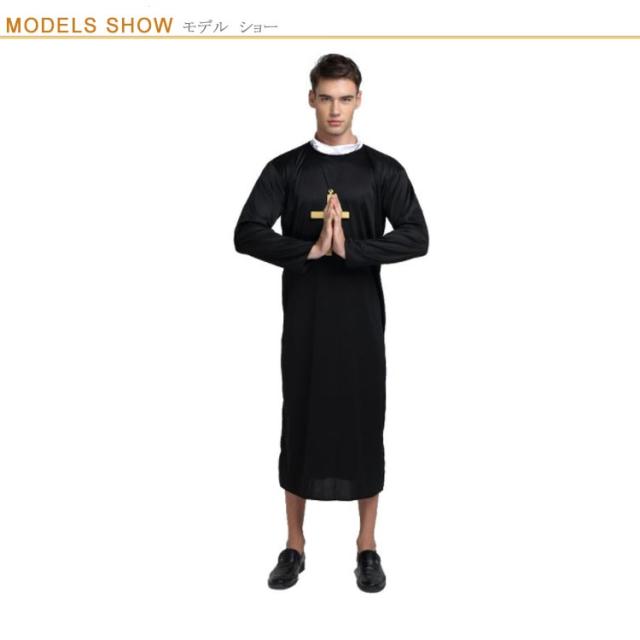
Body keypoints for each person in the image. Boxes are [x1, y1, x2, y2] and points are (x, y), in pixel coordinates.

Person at [233, 53, 429, 592]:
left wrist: (353, 249)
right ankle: (294, 544)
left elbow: (417, 235)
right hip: (306, 323)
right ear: (311, 99)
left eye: (345, 98)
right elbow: (247, 232)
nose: (335, 109)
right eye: (326, 98)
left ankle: (367, 545)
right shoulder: (286, 169)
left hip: (361, 324)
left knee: (364, 423)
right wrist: (311, 250)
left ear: (359, 99)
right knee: (300, 421)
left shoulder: (382, 170)